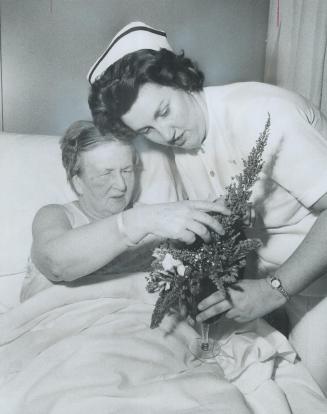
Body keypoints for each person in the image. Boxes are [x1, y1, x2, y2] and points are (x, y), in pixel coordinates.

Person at [87, 22, 327, 393]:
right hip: (266, 287)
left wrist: (272, 290)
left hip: (316, 282)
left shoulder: (264, 112)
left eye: (164, 111)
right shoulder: (179, 143)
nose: (165, 135)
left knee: (309, 387)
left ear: (182, 79)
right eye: (147, 130)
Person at [21, 120, 228, 301]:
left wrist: (222, 222)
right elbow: (54, 264)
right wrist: (135, 223)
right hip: (68, 332)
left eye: (127, 171)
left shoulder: (156, 220)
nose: (121, 185)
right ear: (78, 183)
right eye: (106, 173)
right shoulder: (57, 216)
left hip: (135, 330)